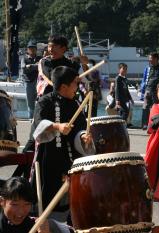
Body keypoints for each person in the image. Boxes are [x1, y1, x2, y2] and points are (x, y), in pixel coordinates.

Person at [31, 66, 95, 220]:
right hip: (48, 157)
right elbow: (37, 127)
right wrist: (56, 126)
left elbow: (79, 129)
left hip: (69, 158)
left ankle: (66, 225)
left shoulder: (74, 104)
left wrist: (83, 137)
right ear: (64, 86)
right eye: (75, 83)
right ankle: (43, 223)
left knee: (68, 197)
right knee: (47, 195)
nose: (77, 87)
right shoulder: (45, 101)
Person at [0, 177, 74, 233]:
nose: (21, 211)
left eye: (27, 204)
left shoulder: (39, 225)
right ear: (2, 202)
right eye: (15, 204)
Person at [140, 52, 159, 130]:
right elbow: (144, 80)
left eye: (151, 59)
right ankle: (145, 124)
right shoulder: (147, 68)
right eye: (149, 59)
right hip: (148, 90)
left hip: (157, 91)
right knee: (145, 108)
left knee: (157, 108)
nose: (150, 60)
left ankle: (156, 124)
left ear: (156, 59)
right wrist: (142, 91)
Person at [21, 40, 42, 118]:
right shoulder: (24, 58)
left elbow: (41, 66)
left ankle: (37, 118)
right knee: (30, 103)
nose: (32, 50)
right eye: (30, 48)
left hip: (39, 83)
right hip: (28, 83)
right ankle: (31, 119)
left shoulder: (40, 58)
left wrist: (30, 66)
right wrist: (35, 66)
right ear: (27, 49)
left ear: (36, 49)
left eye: (33, 48)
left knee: (39, 101)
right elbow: (23, 68)